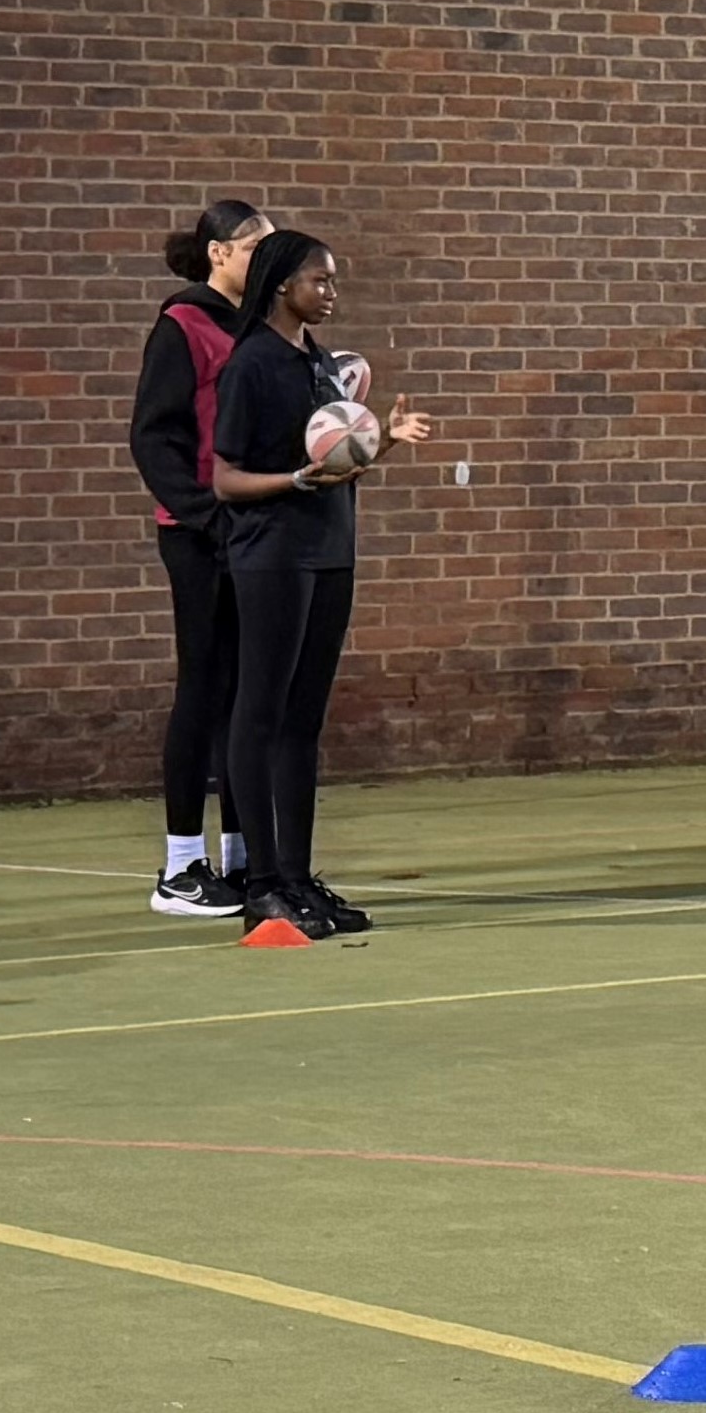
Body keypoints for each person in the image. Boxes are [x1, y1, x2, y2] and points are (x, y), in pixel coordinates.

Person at [203, 230, 428, 941]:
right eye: (319, 281)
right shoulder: (250, 364)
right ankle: (261, 885)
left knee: (303, 721)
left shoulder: (322, 364)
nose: (330, 293)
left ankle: (299, 881)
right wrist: (295, 481)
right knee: (260, 714)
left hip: (330, 551)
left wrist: (382, 440)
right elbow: (225, 480)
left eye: (332, 281)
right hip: (271, 555)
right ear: (281, 285)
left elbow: (337, 461)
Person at [127, 198, 269, 918]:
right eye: (255, 249)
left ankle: (244, 860)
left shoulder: (266, 327)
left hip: (258, 532)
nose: (267, 262)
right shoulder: (183, 325)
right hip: (200, 534)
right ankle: (182, 867)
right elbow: (153, 437)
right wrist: (205, 515)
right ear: (219, 254)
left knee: (250, 695)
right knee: (205, 690)